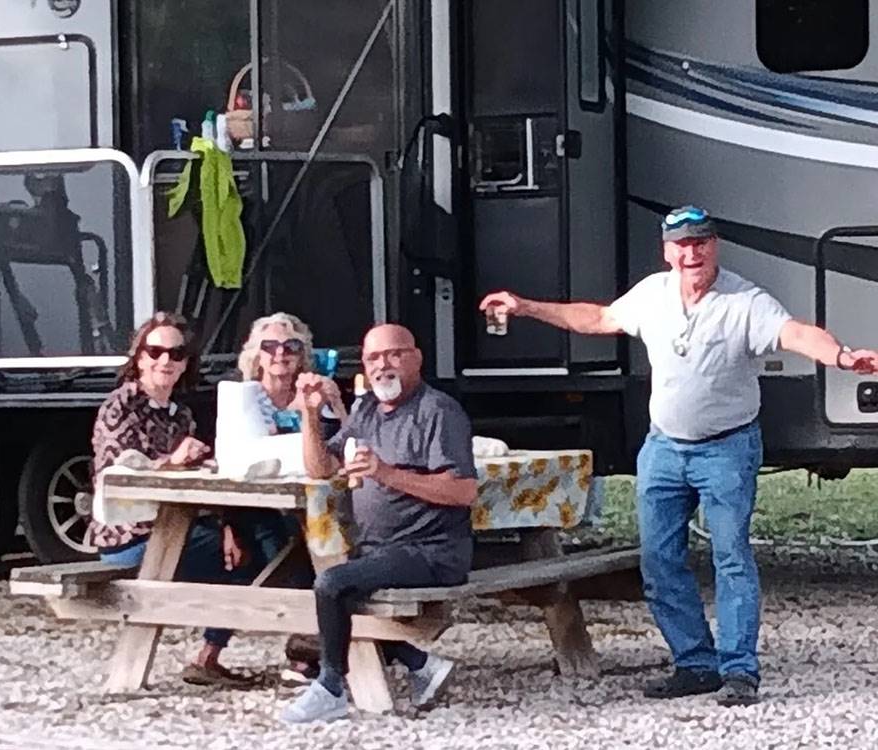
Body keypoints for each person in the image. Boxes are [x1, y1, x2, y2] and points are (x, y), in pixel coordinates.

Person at [479, 205, 878, 707]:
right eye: (682, 244)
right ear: (668, 251)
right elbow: (598, 318)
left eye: (701, 242)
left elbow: (795, 333)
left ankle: (739, 671)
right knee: (660, 561)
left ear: (715, 246)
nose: (693, 253)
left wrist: (841, 356)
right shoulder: (652, 294)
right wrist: (526, 306)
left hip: (727, 448)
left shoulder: (744, 300)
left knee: (731, 558)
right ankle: (694, 663)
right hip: (664, 447)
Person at [280, 324, 478, 723]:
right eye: (372, 358)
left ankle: (331, 686)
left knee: (332, 584)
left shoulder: (437, 411)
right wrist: (309, 415)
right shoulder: (366, 409)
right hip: (379, 548)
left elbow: (463, 491)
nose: (382, 366)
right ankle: (422, 665)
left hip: (433, 550)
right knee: (323, 580)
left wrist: (386, 474)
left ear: (416, 358)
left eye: (393, 355)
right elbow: (322, 469)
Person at [89, 311, 287, 687]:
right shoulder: (120, 406)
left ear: (185, 364)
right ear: (140, 358)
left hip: (179, 527)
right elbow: (114, 478)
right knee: (249, 556)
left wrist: (227, 520)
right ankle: (304, 630)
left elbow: (200, 480)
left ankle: (216, 655)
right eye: (156, 351)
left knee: (250, 540)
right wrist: (171, 462)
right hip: (129, 537)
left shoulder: (182, 415)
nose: (165, 360)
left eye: (176, 354)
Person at [236, 311, 348, 686]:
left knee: (352, 532)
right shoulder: (244, 399)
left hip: (312, 500)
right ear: (257, 355)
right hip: (260, 505)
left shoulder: (313, 391)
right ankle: (305, 654)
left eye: (290, 346)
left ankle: (342, 644)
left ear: (303, 354)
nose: (280, 353)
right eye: (270, 346)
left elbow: (351, 443)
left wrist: (333, 404)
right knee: (303, 545)